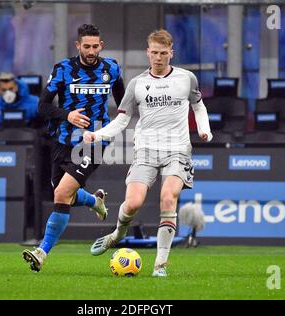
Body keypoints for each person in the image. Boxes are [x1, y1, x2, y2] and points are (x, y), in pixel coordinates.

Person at [84, 29, 212, 277]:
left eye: (163, 53)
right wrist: (97, 135)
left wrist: (204, 130)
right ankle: (118, 234)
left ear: (171, 53)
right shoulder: (137, 84)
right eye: (154, 52)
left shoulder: (187, 78)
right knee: (132, 203)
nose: (158, 57)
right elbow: (122, 121)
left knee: (168, 197)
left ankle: (160, 265)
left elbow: (199, 106)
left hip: (178, 150)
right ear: (148, 52)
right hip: (145, 151)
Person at [22, 24, 125, 272]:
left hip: (95, 140)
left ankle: (41, 252)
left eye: (95, 46)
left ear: (101, 45)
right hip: (64, 139)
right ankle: (94, 201)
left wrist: (119, 128)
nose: (91, 51)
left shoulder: (111, 68)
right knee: (62, 192)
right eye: (86, 46)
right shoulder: (63, 69)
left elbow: (123, 104)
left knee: (61, 194)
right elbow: (42, 107)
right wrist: (67, 115)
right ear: (78, 46)